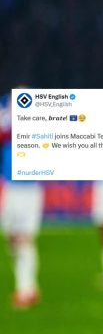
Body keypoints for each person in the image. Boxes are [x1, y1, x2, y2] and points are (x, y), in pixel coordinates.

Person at [0, 92, 44, 309]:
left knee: (25, 238)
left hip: (29, 190)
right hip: (11, 188)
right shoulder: (6, 127)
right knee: (12, 238)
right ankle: (28, 288)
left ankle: (26, 289)